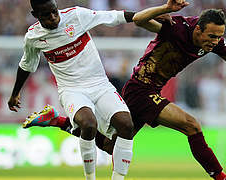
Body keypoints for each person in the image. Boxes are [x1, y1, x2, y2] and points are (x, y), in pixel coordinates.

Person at [22, 0, 226, 180]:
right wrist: (166, 7)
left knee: (111, 146)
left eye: (219, 37)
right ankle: (223, 178)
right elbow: (139, 20)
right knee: (192, 125)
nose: (215, 42)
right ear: (198, 29)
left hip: (150, 90)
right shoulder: (176, 27)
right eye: (211, 36)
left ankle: (58, 121)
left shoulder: (213, 42)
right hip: (141, 89)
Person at [7, 0, 140, 180]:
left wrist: (156, 13)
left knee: (126, 125)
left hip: (100, 84)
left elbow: (116, 16)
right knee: (89, 124)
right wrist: (15, 93)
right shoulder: (33, 37)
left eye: (55, 12)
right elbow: (27, 65)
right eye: (46, 15)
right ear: (35, 15)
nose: (53, 18)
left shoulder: (76, 15)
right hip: (71, 90)